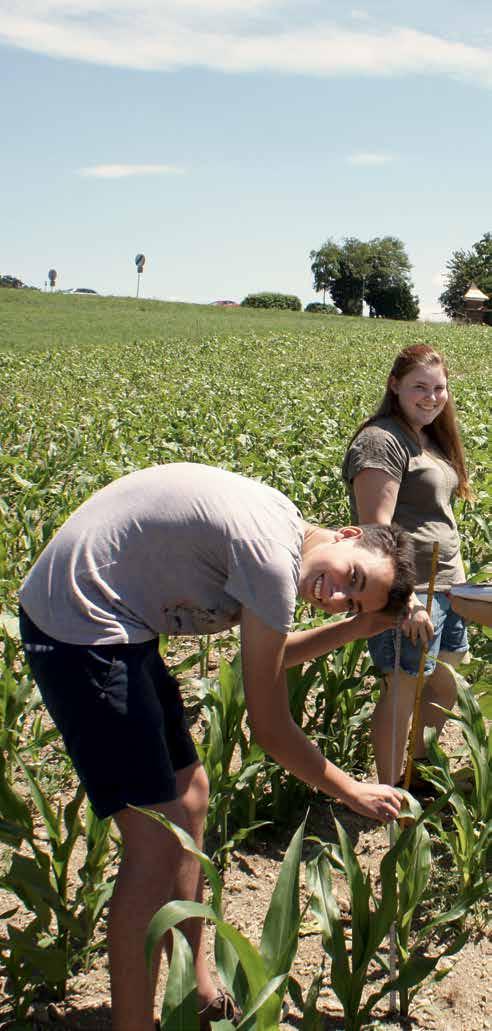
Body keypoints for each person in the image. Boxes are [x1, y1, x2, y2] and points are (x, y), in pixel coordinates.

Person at [19, 462, 414, 1031]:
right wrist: (350, 790)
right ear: (350, 534)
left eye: (352, 603)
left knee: (191, 793)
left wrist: (356, 629)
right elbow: (269, 726)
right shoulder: (272, 560)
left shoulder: (287, 528)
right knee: (153, 848)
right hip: (80, 624)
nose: (335, 597)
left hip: (118, 619)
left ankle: (197, 987)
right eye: (352, 577)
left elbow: (262, 662)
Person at [342, 344, 471, 788]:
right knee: (402, 686)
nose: (432, 397)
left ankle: (417, 764)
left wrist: (460, 579)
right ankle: (389, 789)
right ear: (395, 386)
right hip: (413, 590)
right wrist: (408, 598)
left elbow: (440, 516)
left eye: (439, 388)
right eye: (420, 387)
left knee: (447, 677)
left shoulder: (431, 440)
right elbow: (376, 529)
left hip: (448, 584)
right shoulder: (382, 441)